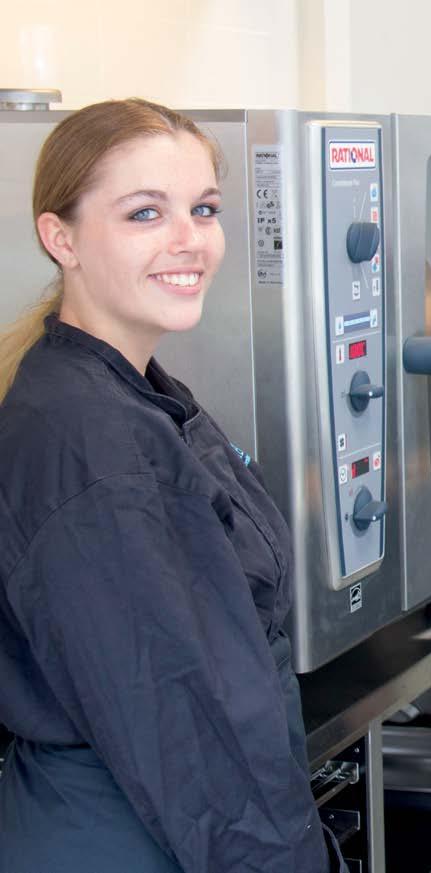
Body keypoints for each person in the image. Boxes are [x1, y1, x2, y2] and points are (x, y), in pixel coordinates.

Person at [0, 100, 334, 872]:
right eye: (146, 212)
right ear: (62, 238)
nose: (191, 239)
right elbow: (185, 726)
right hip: (128, 835)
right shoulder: (89, 441)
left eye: (203, 209)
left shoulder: (129, 390)